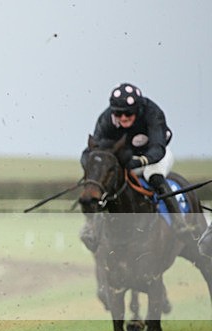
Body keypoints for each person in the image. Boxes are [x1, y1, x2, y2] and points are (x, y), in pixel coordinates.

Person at [80, 82, 188, 251]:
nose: (123, 118)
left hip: (155, 156)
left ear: (137, 109)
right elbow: (93, 151)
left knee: (154, 176)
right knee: (105, 185)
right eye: (118, 113)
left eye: (128, 113)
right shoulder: (106, 119)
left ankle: (178, 222)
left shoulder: (153, 113)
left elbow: (158, 149)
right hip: (125, 158)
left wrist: (138, 162)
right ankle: (91, 227)